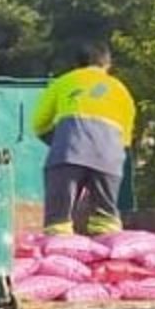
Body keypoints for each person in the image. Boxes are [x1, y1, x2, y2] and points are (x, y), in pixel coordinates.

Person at [32, 41, 136, 236]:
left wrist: (59, 141)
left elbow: (38, 124)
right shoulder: (121, 90)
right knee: (106, 223)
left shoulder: (62, 82)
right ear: (107, 65)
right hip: (109, 158)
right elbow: (126, 140)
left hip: (69, 153)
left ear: (77, 64)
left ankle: (60, 258)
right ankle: (109, 260)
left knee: (58, 223)